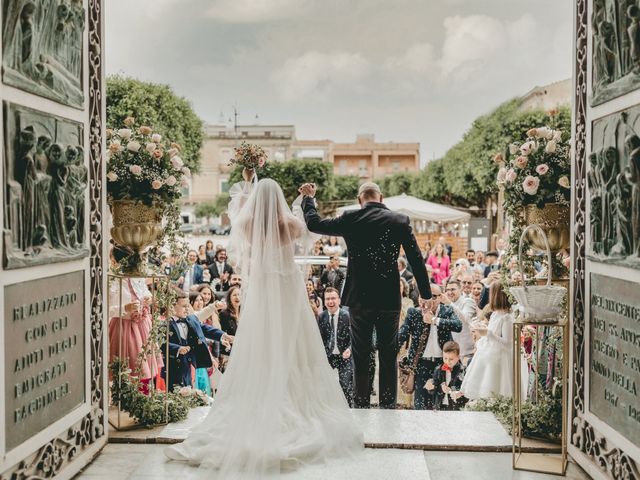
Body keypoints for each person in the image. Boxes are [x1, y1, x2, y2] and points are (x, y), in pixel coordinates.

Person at [166, 169, 362, 475]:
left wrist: (248, 182)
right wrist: (305, 197)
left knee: (261, 341)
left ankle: (261, 391)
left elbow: (239, 211)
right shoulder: (289, 224)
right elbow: (307, 226)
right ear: (279, 201)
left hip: (261, 289)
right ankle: (295, 399)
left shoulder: (248, 224)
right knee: (293, 341)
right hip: (286, 288)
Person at [300, 181, 431, 409]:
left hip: (359, 299)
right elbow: (416, 259)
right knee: (388, 354)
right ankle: (388, 406)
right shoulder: (399, 220)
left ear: (361, 199)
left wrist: (308, 199)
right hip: (389, 298)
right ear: (381, 199)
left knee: (361, 355)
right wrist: (426, 295)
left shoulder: (351, 218)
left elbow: (314, 224)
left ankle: (361, 406)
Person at [397, 284, 461, 410]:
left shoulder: (446, 311)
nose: (425, 300)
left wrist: (434, 320)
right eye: (422, 296)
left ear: (439, 298)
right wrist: (390, 349)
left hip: (443, 365)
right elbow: (402, 334)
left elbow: (458, 326)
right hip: (420, 364)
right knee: (420, 405)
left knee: (440, 405)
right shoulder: (413, 312)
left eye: (432, 296)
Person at [461, 282, 526, 400]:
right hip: (490, 354)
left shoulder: (507, 318)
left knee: (498, 390)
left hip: (502, 359)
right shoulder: (496, 314)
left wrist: (487, 333)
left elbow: (508, 343)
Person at [161, 293, 232, 393]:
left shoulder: (191, 319)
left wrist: (222, 335)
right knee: (173, 395)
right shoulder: (164, 324)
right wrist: (177, 349)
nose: (187, 309)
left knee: (187, 393)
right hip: (171, 369)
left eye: (188, 305)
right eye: (184, 306)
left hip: (188, 367)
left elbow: (205, 329)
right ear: (171, 306)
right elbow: (161, 344)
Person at [317, 288, 354, 406]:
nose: (330, 301)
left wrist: (349, 348)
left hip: (344, 356)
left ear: (339, 300)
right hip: (328, 357)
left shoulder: (347, 316)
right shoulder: (321, 317)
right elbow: (320, 339)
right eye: (327, 299)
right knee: (323, 385)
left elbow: (354, 337)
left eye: (333, 298)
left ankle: (348, 409)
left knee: (345, 384)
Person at [425, 341, 468, 411]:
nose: (447, 361)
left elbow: (463, 387)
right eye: (445, 358)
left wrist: (452, 390)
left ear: (458, 357)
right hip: (439, 405)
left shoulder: (462, 370)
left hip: (456, 407)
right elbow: (435, 388)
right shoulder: (438, 369)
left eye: (451, 359)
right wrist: (432, 387)